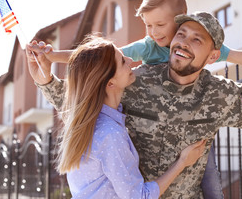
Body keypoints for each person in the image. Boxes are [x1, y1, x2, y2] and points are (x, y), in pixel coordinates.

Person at [36, 0, 242, 199]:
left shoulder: (221, 95)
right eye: (182, 34)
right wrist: (47, 74)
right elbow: (88, 90)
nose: (183, 42)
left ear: (212, 55)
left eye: (196, 39)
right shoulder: (133, 77)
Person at [29, 36, 206, 198]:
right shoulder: (109, 134)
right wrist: (182, 162)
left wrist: (45, 76)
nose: (130, 61)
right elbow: (138, 197)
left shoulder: (90, 124)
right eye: (122, 61)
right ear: (110, 83)